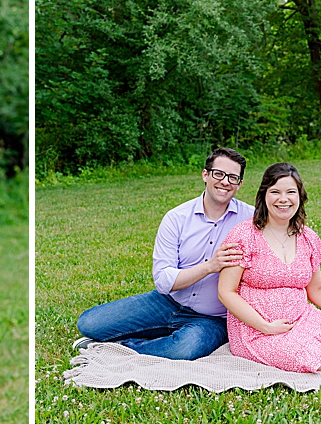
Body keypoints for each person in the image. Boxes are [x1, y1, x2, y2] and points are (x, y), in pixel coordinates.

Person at [74, 147, 255, 359]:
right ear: (205, 175)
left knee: (185, 348)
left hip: (212, 318)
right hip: (166, 302)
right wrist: (210, 266)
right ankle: (159, 332)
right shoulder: (176, 218)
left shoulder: (250, 220)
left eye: (233, 177)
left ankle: (117, 349)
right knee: (89, 323)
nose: (225, 182)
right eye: (219, 174)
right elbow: (163, 280)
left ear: (240, 184)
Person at [217, 162, 321, 373]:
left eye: (290, 192)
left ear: (299, 196)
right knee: (317, 360)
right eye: (275, 192)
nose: (283, 199)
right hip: (258, 330)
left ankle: (314, 344)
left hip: (302, 318)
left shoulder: (307, 237)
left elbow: (316, 290)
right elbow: (226, 292)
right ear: (263, 196)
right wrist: (265, 326)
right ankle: (314, 349)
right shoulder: (244, 235)